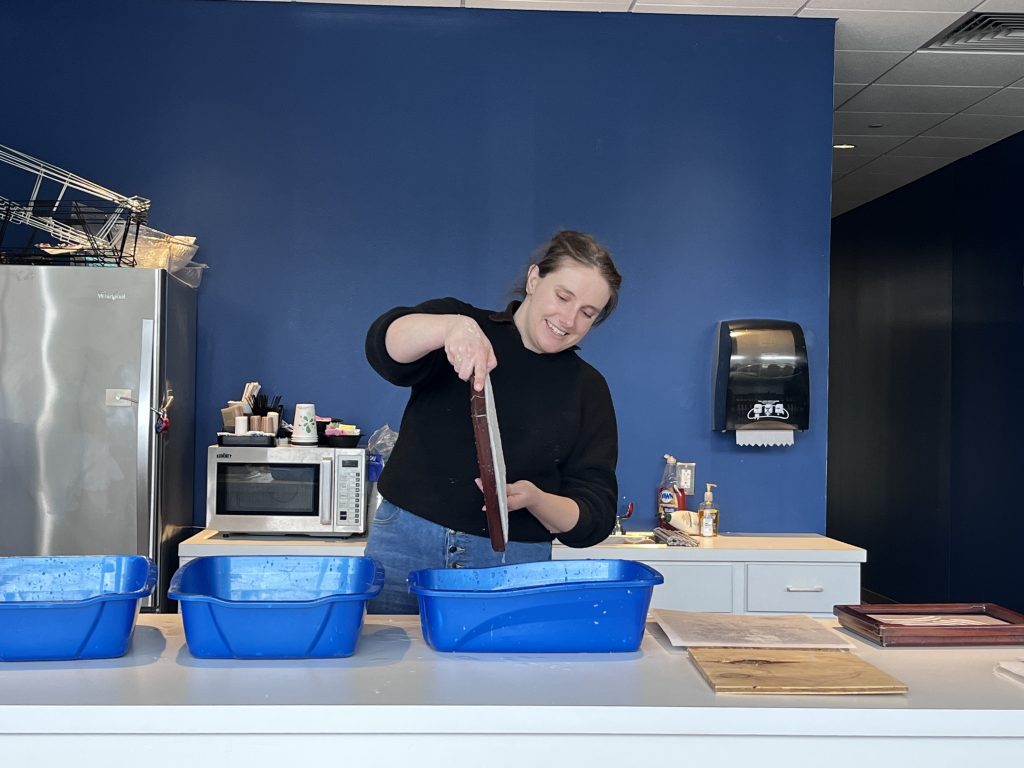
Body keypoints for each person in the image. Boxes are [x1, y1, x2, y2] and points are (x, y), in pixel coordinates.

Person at [363, 230, 623, 614]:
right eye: (563, 296)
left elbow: (594, 517)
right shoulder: (463, 328)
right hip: (404, 544)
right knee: (390, 669)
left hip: (511, 565)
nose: (568, 319)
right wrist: (448, 327)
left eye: (588, 313)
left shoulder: (588, 389)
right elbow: (383, 347)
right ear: (535, 279)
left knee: (500, 675)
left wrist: (536, 499)